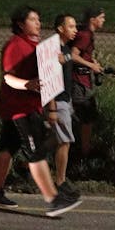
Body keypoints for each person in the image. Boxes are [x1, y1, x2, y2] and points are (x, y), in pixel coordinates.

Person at [0, 5, 83, 216]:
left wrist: (50, 106)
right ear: (21, 24)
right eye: (33, 19)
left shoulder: (37, 46)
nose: (38, 23)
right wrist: (27, 84)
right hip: (19, 108)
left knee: (7, 149)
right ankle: (53, 199)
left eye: (39, 20)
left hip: (29, 106)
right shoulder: (16, 45)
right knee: (36, 152)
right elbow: (8, 77)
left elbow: (47, 77)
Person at [69, 6, 107, 163]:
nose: (104, 20)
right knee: (85, 116)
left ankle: (83, 150)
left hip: (83, 81)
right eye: (102, 17)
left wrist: (93, 62)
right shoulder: (85, 35)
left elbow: (83, 55)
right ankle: (83, 152)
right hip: (78, 81)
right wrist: (91, 66)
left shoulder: (87, 34)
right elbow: (73, 55)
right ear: (93, 19)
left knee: (88, 116)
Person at [50, 13, 79, 188]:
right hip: (58, 101)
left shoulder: (65, 49)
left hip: (65, 100)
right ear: (60, 28)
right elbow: (49, 78)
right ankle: (60, 180)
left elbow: (70, 58)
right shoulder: (53, 49)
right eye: (71, 26)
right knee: (65, 141)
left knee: (56, 139)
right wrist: (52, 107)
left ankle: (29, 165)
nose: (75, 30)